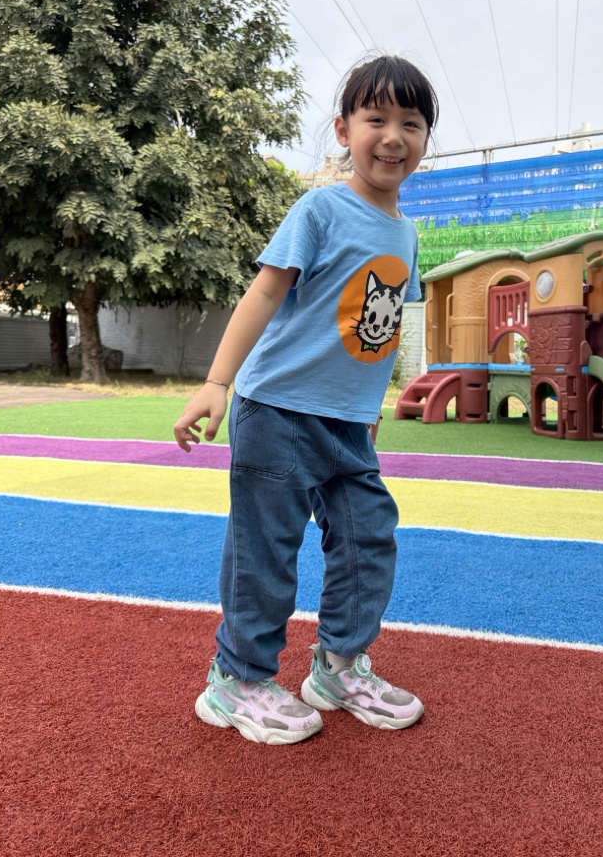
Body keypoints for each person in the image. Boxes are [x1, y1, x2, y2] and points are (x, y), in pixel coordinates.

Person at [174, 54, 438, 745]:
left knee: (367, 535)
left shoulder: (407, 234)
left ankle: (338, 668)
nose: (393, 136)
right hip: (279, 411)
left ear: (425, 140)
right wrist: (217, 382)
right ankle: (236, 681)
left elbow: (379, 329)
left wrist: (370, 408)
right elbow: (265, 292)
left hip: (347, 424)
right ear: (344, 130)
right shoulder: (321, 209)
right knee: (267, 548)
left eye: (411, 123)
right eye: (376, 118)